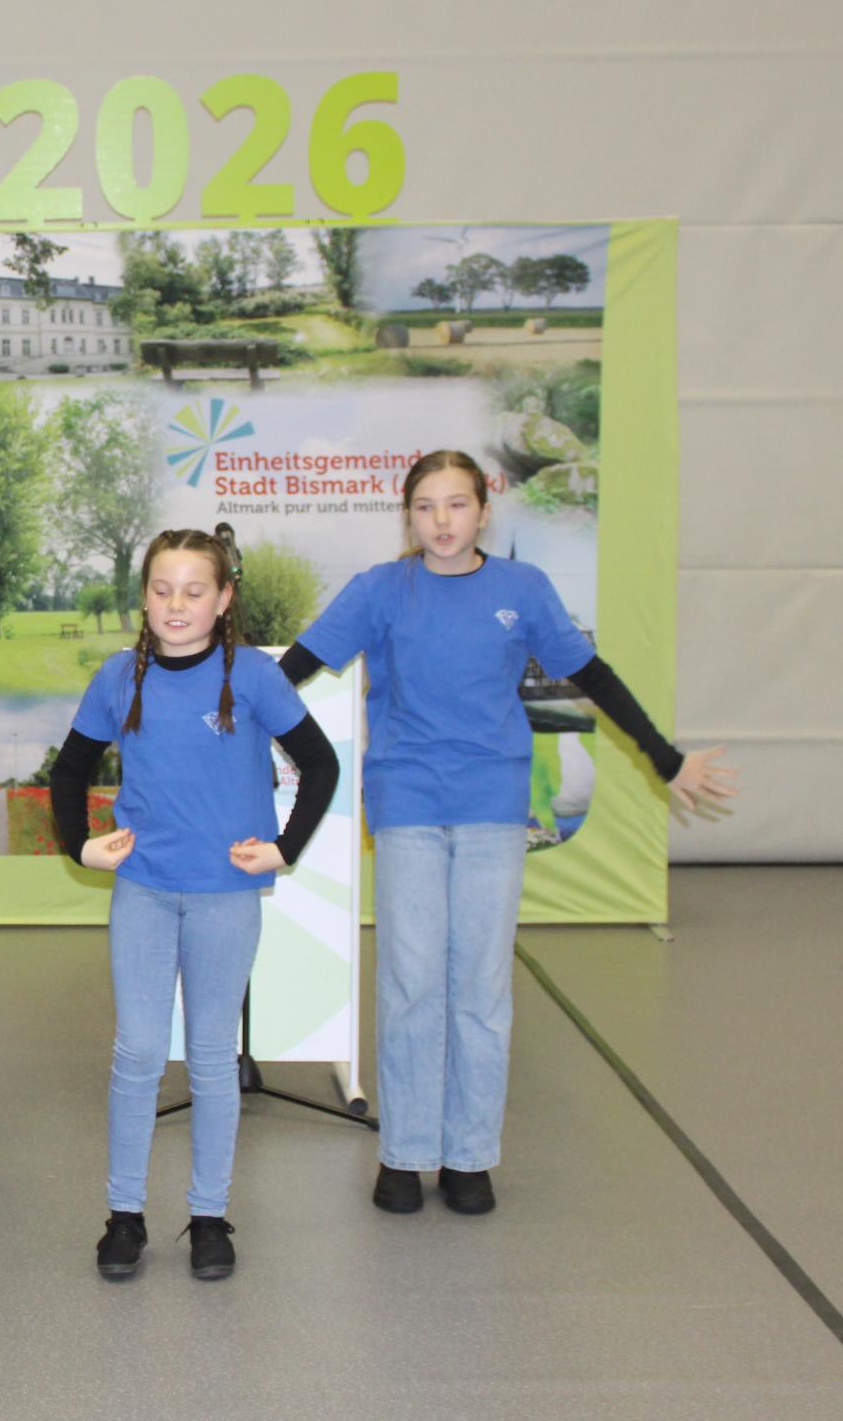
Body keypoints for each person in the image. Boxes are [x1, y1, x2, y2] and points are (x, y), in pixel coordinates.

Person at [277, 449, 734, 1216]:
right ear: (408, 516)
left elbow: (592, 676)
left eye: (456, 505)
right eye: (425, 507)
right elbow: (294, 666)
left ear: (484, 512)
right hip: (408, 801)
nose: (441, 521)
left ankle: (468, 1156)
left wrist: (666, 758)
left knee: (480, 985)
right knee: (412, 981)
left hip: (491, 803)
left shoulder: (522, 590)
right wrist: (206, 711)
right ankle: (404, 1153)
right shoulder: (380, 590)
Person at [50, 529, 339, 1283]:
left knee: (212, 1057)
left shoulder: (254, 676)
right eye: (162, 589)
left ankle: (209, 1215)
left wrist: (284, 847)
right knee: (139, 1053)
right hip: (144, 891)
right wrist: (79, 844)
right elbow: (70, 768)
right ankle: (124, 1214)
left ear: (224, 599)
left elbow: (320, 763)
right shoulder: (119, 677)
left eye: (194, 590)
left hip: (224, 898)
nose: (176, 605)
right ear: (144, 597)